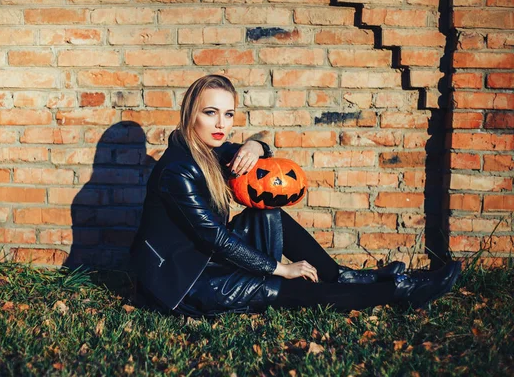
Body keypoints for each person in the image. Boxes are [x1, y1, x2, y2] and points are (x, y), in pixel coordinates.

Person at [130, 74, 461, 317]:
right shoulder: (177, 171)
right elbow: (216, 238)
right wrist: (279, 268)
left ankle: (342, 275)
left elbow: (256, 150)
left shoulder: (207, 149)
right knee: (295, 290)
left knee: (268, 212)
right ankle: (401, 291)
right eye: (210, 113)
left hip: (205, 259)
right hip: (185, 281)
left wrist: (254, 146)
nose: (221, 124)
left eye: (228, 114)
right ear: (191, 114)